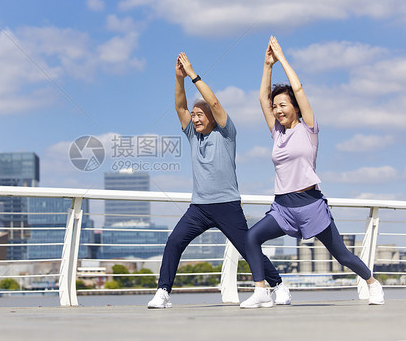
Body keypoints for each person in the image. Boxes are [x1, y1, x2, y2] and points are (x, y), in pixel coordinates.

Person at [240, 37, 385, 309]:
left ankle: (372, 283)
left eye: (283, 105)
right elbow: (261, 97)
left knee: (341, 255)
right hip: (283, 206)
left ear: (294, 106)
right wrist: (266, 65)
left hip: (310, 205)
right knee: (251, 237)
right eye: (275, 107)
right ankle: (262, 291)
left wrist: (282, 57)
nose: (277, 110)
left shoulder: (308, 130)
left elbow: (298, 87)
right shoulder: (277, 133)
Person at [147, 53, 290, 309]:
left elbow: (213, 101)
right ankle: (162, 292)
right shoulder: (193, 135)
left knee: (248, 247)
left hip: (227, 205)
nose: (196, 118)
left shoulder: (226, 133)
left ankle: (279, 285)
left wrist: (192, 74)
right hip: (199, 207)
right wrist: (178, 78)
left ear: (212, 117)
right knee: (174, 241)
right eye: (194, 115)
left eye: (201, 114)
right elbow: (179, 107)